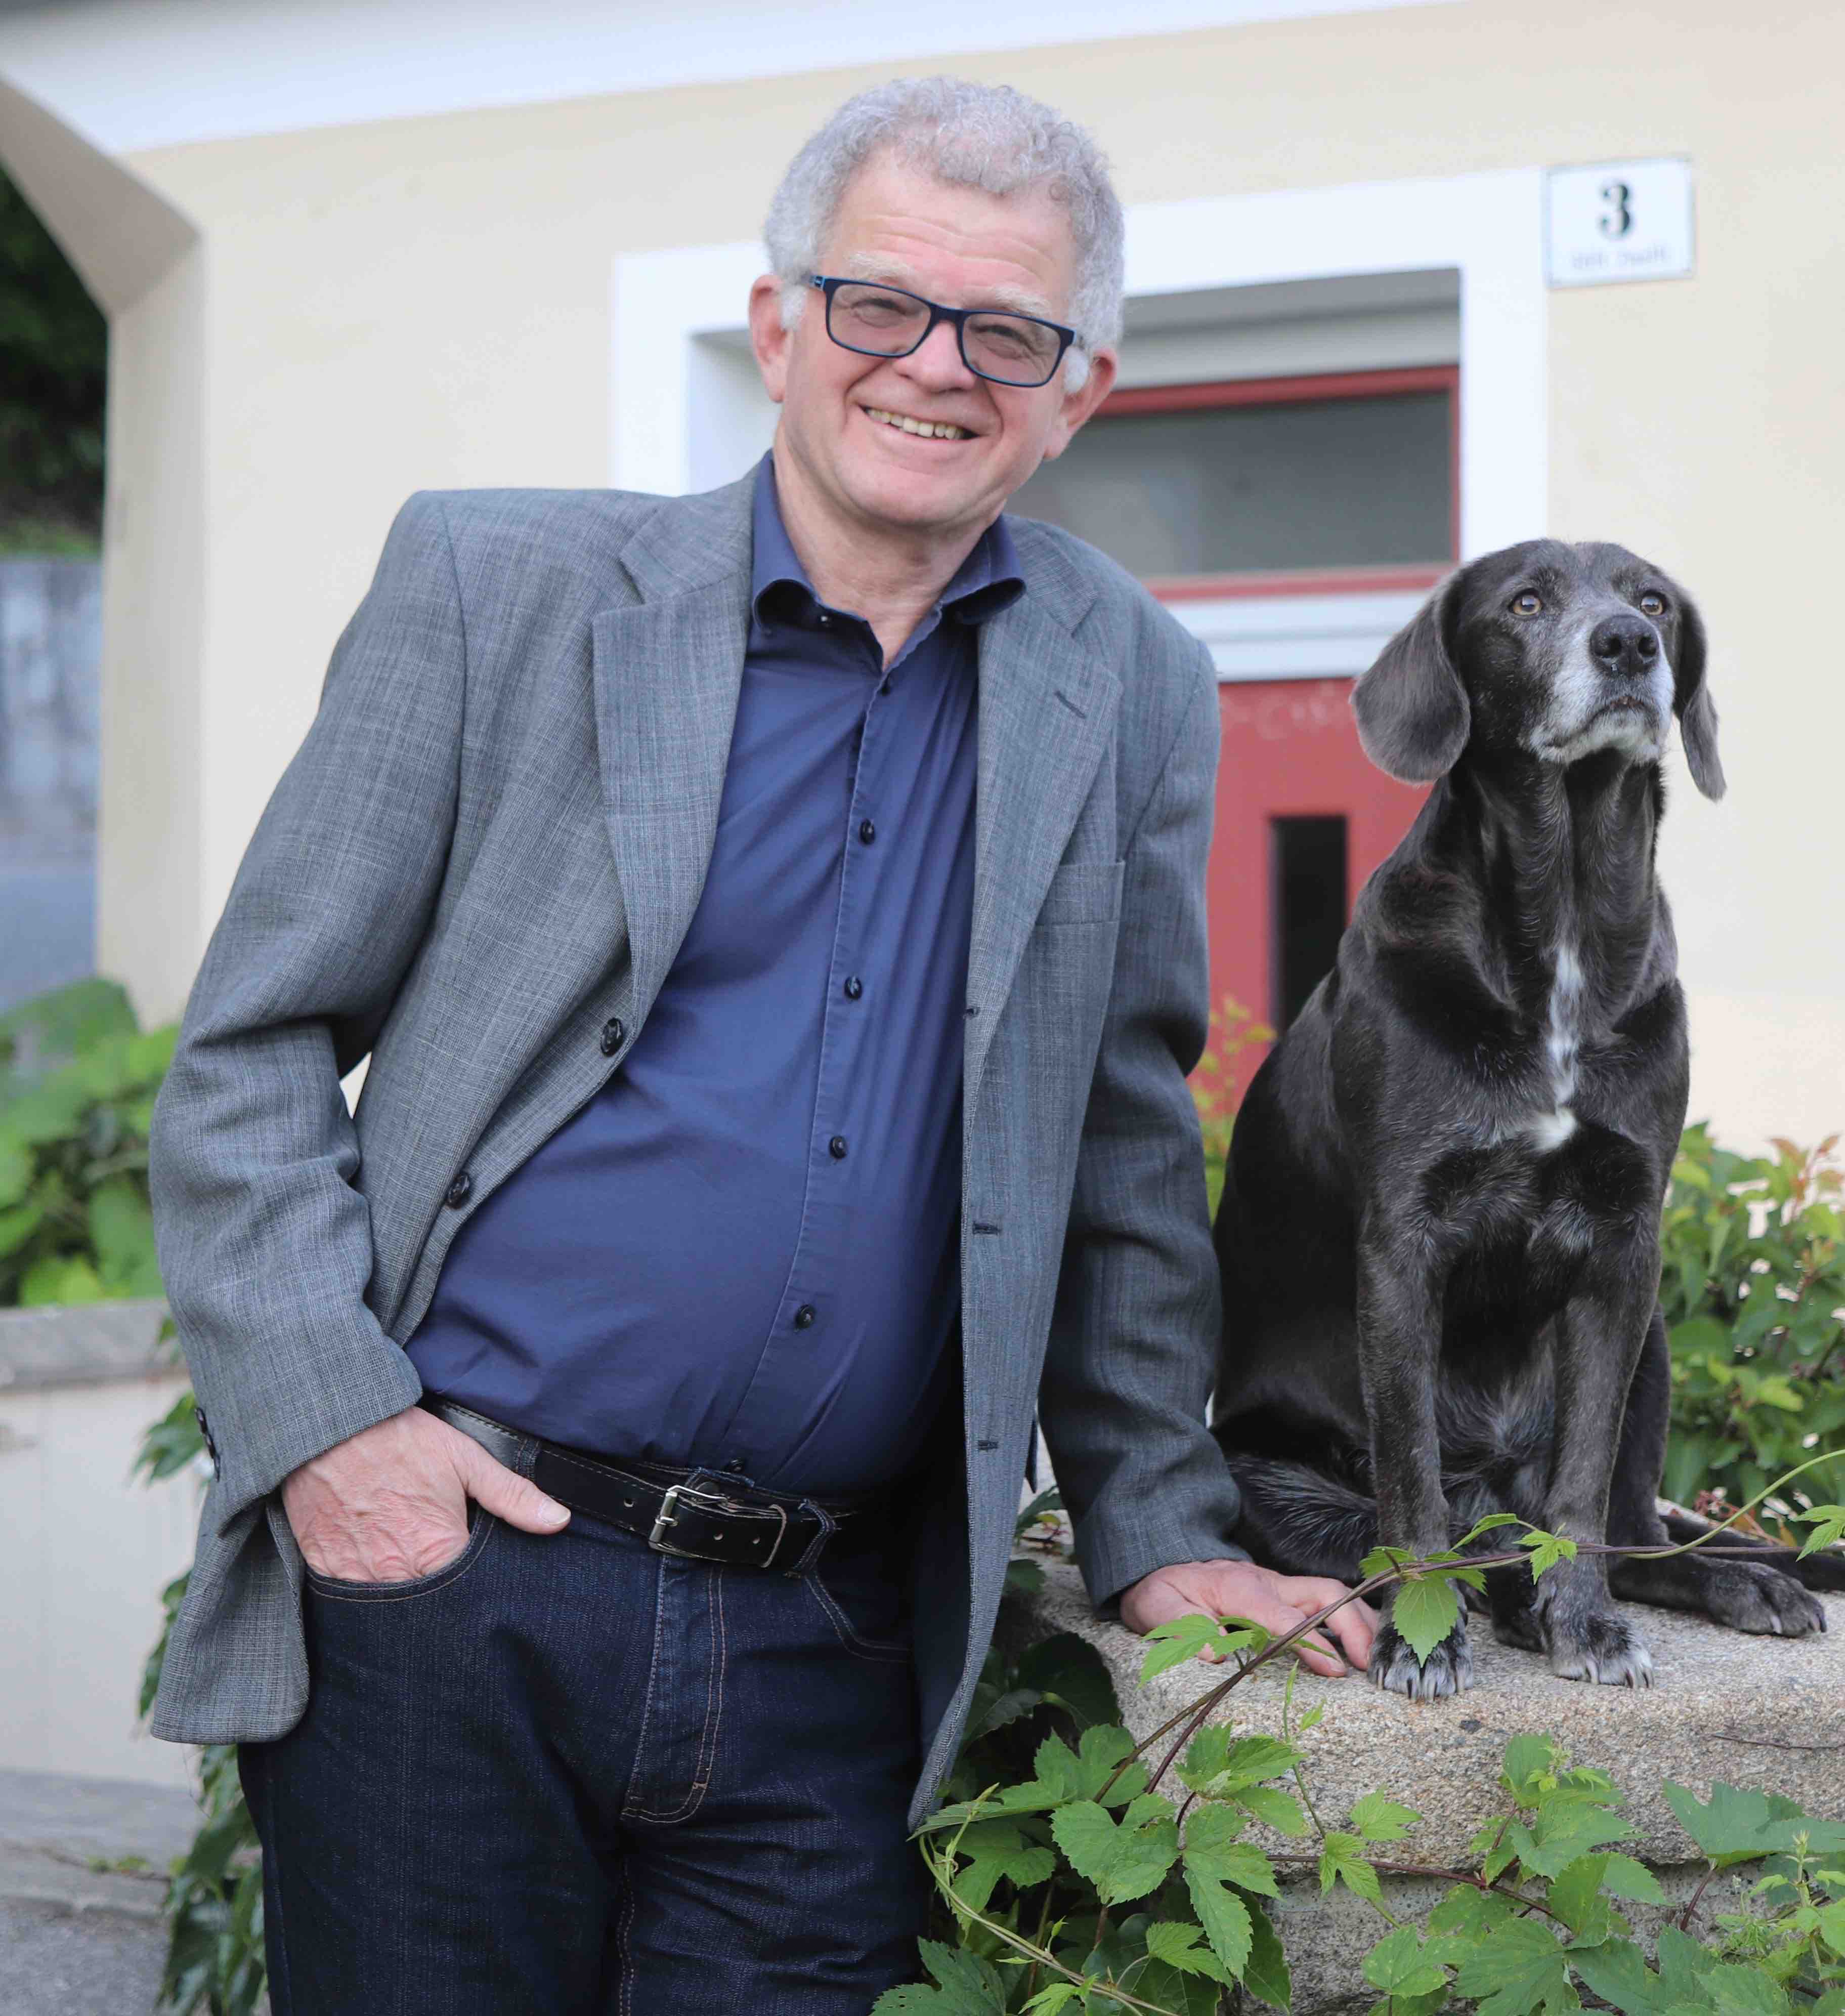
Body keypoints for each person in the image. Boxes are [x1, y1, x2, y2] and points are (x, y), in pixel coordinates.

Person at [147, 75, 1375, 2015]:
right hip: (455, 1585)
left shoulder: (1128, 677)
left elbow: (1119, 1138)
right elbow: (252, 1048)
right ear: (782, 323)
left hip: (832, 1642)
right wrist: (334, 1436)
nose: (937, 367)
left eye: (1009, 332)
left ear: (1081, 388)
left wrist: (1160, 1528)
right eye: (882, 303)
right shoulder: (500, 588)